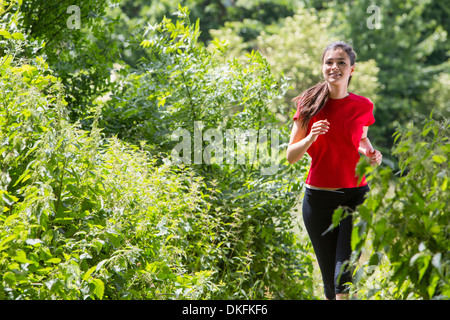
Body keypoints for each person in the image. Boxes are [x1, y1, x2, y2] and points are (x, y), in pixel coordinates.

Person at [286, 41, 382, 300]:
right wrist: (310, 139)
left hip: (356, 196)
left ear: (352, 69)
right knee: (330, 283)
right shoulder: (309, 105)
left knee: (344, 274)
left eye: (341, 62)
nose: (334, 67)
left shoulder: (363, 106)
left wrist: (371, 154)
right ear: (322, 67)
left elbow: (359, 140)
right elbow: (291, 156)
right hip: (319, 200)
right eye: (329, 62)